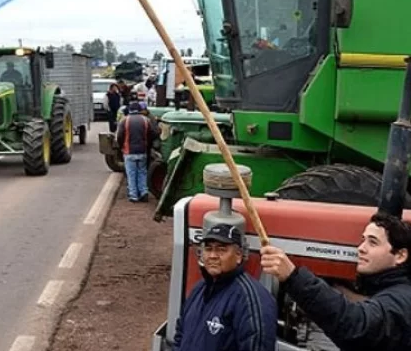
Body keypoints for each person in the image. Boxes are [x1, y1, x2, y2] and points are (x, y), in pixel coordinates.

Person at [260, 212, 411, 350]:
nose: (361, 248)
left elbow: (356, 326)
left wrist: (294, 277)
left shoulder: (402, 299)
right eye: (363, 240)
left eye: (373, 242)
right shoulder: (389, 291)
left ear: (400, 255)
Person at [174, 223, 277, 351]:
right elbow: (180, 335)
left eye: (221, 249)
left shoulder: (252, 300)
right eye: (208, 249)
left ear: (239, 255)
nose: (212, 256)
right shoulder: (199, 290)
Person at [116, 101, 158, 202]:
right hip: (142, 151)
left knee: (131, 173)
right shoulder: (146, 120)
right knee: (142, 172)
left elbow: (119, 136)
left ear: (129, 110)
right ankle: (144, 192)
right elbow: (153, 133)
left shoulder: (124, 121)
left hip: (129, 151)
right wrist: (147, 143)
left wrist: (122, 146)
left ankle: (133, 195)